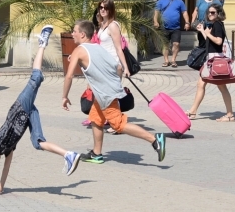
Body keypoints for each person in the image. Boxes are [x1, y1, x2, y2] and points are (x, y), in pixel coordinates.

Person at [0, 25, 81, 197]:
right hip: (27, 115)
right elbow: (6, 167)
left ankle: (42, 43)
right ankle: (68, 155)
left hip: (20, 107)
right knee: (38, 143)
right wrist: (1, 187)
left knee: (35, 77)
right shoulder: (7, 148)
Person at [62, 20, 166, 165]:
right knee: (95, 118)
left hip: (105, 94)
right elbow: (117, 68)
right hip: (105, 92)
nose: (72, 34)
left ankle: (155, 140)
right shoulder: (98, 47)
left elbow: (69, 76)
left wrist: (64, 96)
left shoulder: (79, 50)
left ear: (82, 34)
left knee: (118, 125)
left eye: (74, 31)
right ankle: (96, 154)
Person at [187, 3, 235, 122]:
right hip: (212, 59)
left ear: (218, 13)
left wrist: (208, 33)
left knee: (220, 87)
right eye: (209, 12)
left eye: (213, 12)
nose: (210, 14)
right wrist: (203, 31)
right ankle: (193, 111)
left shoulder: (218, 24)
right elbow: (210, 41)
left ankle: (230, 115)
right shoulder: (215, 24)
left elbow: (218, 41)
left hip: (215, 60)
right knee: (202, 84)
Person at [153, 0, 189, 67]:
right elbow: (156, 13)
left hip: (176, 27)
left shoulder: (180, 2)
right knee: (165, 45)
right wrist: (155, 21)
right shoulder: (160, 1)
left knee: (176, 44)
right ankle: (166, 60)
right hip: (164, 27)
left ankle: (173, 60)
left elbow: (184, 13)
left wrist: (187, 22)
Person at [96, 0, 130, 74]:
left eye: (106, 8)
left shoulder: (113, 26)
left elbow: (118, 48)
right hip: (104, 63)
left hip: (113, 64)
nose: (103, 10)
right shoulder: (102, 23)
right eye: (101, 7)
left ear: (111, 10)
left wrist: (126, 68)